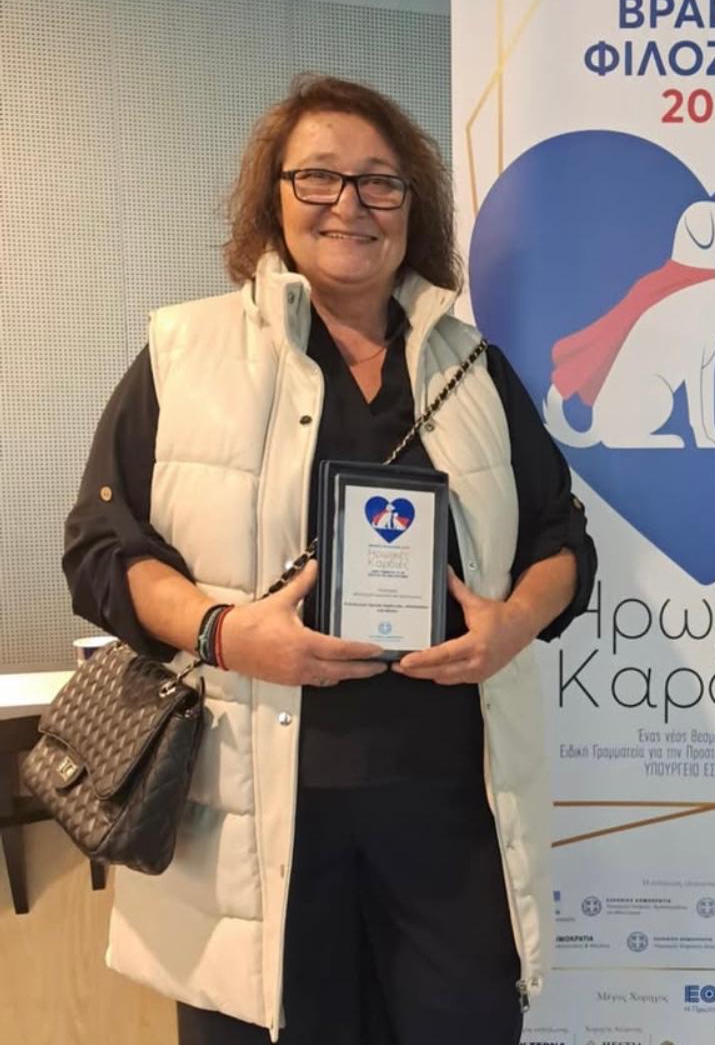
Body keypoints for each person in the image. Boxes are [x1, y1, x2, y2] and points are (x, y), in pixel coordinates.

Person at [62, 74, 596, 1045]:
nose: (350, 203)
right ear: (273, 197)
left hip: (449, 820)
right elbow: (103, 549)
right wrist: (225, 632)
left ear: (410, 207)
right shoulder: (185, 353)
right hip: (253, 815)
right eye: (318, 177)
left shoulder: (474, 367)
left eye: (379, 181)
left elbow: (562, 539)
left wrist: (513, 624)